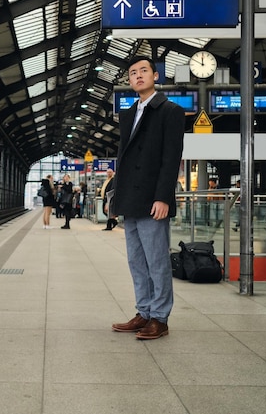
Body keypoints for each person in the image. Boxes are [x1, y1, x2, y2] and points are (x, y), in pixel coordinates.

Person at [110, 55, 184, 340]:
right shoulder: (128, 114)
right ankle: (143, 311)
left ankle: (160, 318)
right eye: (133, 73)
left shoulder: (170, 111)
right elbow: (123, 160)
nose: (138, 76)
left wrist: (163, 197)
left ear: (155, 76)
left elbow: (171, 158)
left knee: (157, 261)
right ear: (129, 81)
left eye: (144, 71)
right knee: (136, 261)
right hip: (130, 198)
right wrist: (116, 198)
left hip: (154, 198)